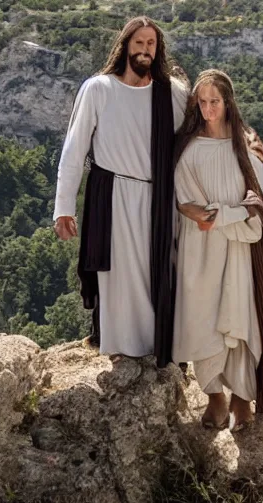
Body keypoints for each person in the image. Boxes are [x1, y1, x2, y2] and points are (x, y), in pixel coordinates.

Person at [53, 16, 188, 366]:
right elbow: (74, 149)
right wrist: (64, 207)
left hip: (157, 200)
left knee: (152, 274)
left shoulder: (171, 93)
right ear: (126, 45)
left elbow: (198, 134)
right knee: (116, 278)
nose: (145, 49)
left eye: (151, 44)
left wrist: (245, 141)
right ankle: (118, 348)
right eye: (139, 42)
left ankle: (153, 347)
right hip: (111, 197)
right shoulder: (99, 89)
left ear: (157, 51)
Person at [172, 69, 263, 431]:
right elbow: (181, 196)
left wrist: (220, 214)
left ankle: (242, 399)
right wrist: (187, 209)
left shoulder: (246, 147)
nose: (208, 109)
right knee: (202, 318)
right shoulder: (187, 147)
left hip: (237, 246)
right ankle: (215, 398)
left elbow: (255, 203)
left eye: (215, 102)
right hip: (199, 246)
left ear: (228, 103)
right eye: (202, 102)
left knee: (238, 319)